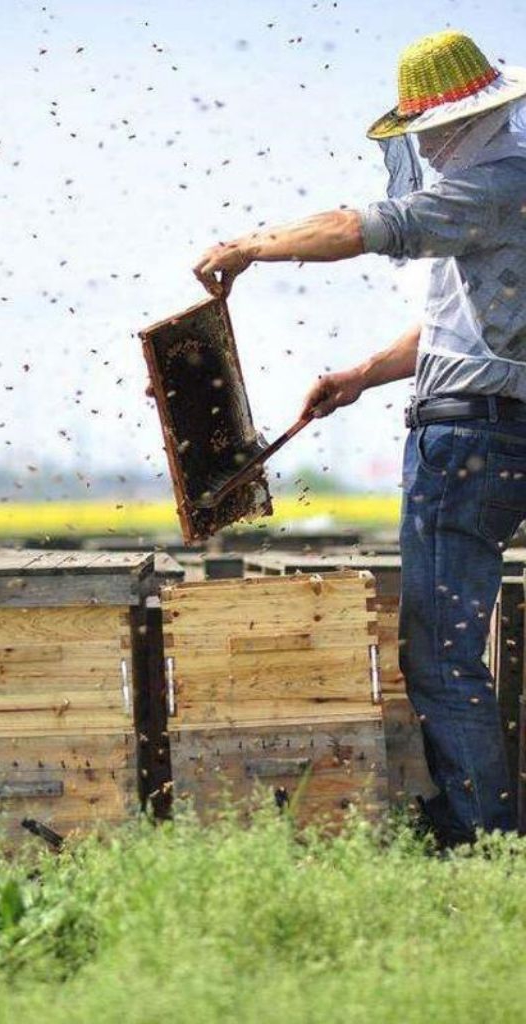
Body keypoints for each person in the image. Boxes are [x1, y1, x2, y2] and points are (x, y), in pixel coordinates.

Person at [192, 30, 526, 846]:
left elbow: (358, 226)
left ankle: (482, 836)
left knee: (441, 658)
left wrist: (249, 247)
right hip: (497, 432)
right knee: (452, 651)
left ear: (446, 123)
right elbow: (463, 327)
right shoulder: (504, 192)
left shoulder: (491, 185)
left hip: (466, 448)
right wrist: (359, 376)